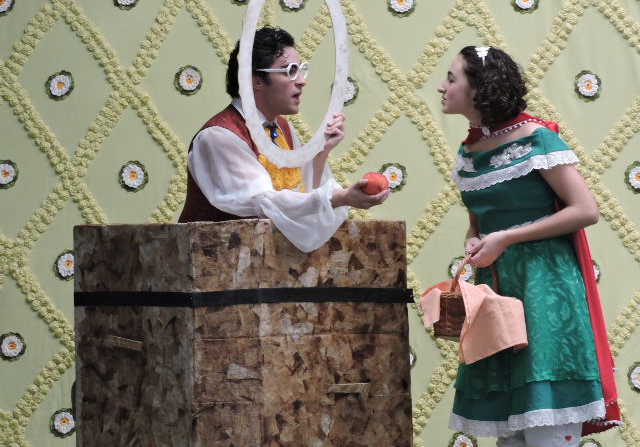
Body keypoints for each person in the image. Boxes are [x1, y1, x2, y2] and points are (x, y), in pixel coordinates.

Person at [438, 46, 620, 446]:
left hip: (544, 288)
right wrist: (474, 239)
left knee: (546, 429)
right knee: (511, 436)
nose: (441, 86)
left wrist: (507, 238)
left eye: (451, 78)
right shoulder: (468, 153)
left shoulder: (536, 137)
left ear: (479, 88)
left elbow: (586, 210)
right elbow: (480, 221)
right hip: (498, 292)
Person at [178, 26, 389, 251]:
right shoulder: (219, 136)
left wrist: (321, 152)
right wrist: (341, 198)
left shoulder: (281, 129)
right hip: (212, 262)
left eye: (301, 70)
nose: (301, 81)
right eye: (290, 71)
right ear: (255, 81)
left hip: (261, 263)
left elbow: (301, 198)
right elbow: (265, 202)